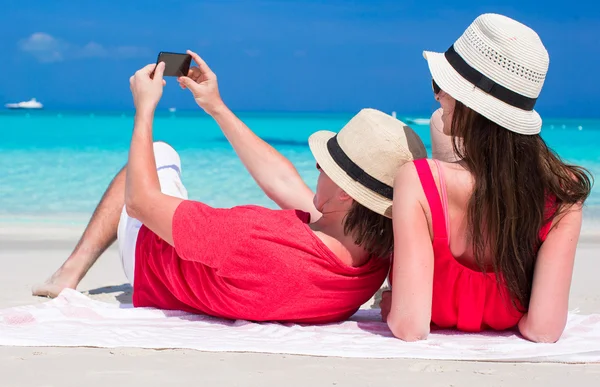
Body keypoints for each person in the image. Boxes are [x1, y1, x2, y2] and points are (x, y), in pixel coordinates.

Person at [33, 50, 427, 323]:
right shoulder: (373, 260)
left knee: (158, 151)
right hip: (248, 271)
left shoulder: (254, 240)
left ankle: (70, 271)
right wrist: (216, 106)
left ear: (345, 193)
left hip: (150, 261)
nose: (318, 166)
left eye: (326, 165)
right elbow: (281, 182)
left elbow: (139, 203)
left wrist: (145, 108)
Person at [381, 14, 593, 342]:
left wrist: (390, 305)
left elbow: (410, 327)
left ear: (469, 104)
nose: (437, 97)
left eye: (441, 86)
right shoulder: (563, 196)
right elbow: (544, 330)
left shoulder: (420, 182)